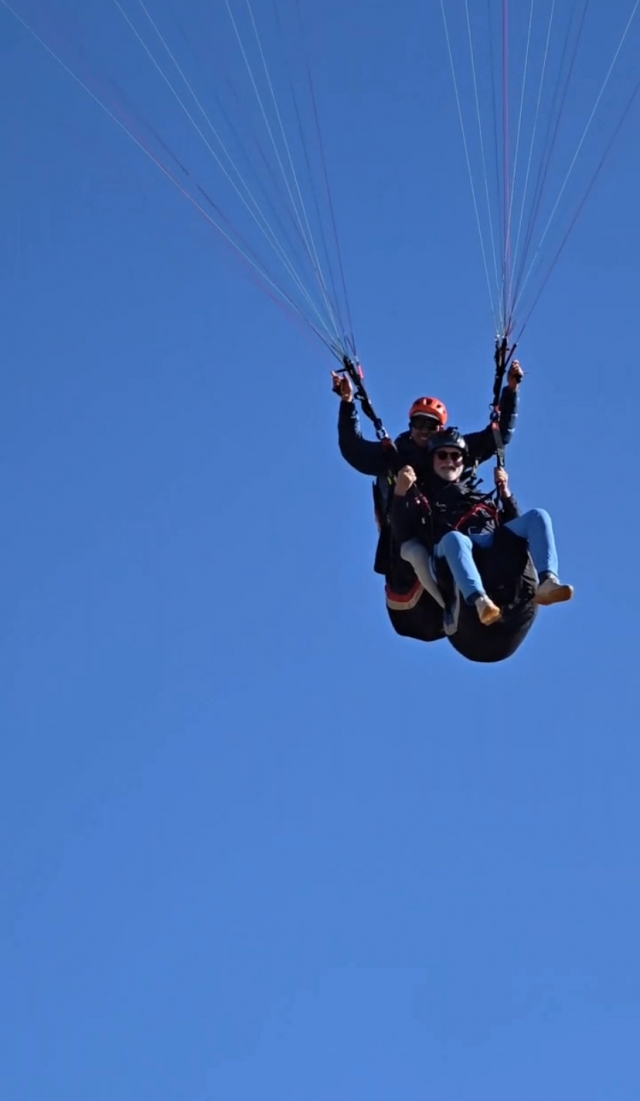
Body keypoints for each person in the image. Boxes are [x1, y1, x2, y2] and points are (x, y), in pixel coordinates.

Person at [391, 429, 573, 630]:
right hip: (449, 550)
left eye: (455, 456)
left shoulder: (477, 495)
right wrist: (400, 492)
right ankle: (480, 601)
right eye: (442, 455)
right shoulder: (423, 495)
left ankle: (547, 581)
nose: (449, 461)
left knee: (538, 516)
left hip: (491, 543)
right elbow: (402, 533)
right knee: (455, 539)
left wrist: (505, 494)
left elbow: (515, 525)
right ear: (432, 460)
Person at [332, 360, 523, 481]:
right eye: (419, 424)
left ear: (441, 428)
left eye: (430, 426)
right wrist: (347, 402)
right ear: (410, 425)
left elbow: (500, 434)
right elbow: (353, 449)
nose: (424, 430)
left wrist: (511, 391)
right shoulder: (394, 455)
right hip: (411, 531)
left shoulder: (455, 451)